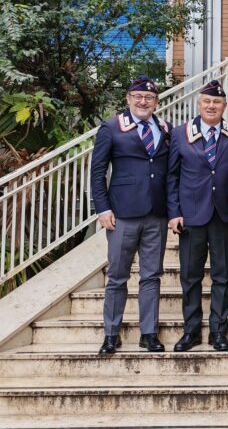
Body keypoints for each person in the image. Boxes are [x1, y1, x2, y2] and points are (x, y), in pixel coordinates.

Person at [90, 75, 171, 355]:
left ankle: (149, 333)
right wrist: (102, 208)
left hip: (157, 213)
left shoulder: (165, 128)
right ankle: (111, 334)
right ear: (128, 99)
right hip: (122, 213)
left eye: (149, 97)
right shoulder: (112, 127)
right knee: (117, 276)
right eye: (137, 97)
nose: (143, 101)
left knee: (151, 276)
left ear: (156, 101)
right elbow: (97, 171)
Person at [166, 80, 228, 352]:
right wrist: (174, 212)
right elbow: (171, 176)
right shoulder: (180, 134)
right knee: (190, 276)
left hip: (223, 214)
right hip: (191, 216)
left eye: (217, 102)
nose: (212, 106)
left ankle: (218, 331)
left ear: (224, 105)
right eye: (207, 102)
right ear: (199, 105)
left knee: (223, 275)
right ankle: (191, 331)